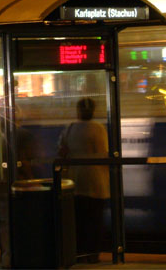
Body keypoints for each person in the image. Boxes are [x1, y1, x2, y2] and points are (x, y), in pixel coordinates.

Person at [57, 97, 110, 264]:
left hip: (76, 180)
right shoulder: (99, 128)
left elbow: (61, 150)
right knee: (95, 220)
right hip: (97, 181)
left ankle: (78, 252)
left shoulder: (70, 128)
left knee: (78, 220)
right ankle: (93, 254)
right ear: (93, 111)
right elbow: (104, 152)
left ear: (78, 111)